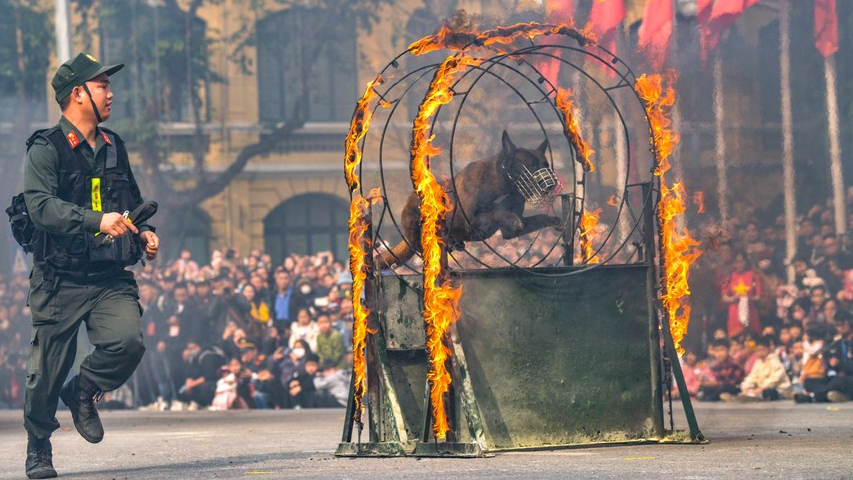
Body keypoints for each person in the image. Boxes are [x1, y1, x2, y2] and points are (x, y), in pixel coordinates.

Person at [21, 53, 160, 479]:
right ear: (77, 94)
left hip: (107, 277)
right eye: (102, 86)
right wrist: (94, 220)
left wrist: (144, 232)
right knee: (46, 373)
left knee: (128, 342)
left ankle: (82, 391)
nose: (111, 93)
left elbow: (130, 204)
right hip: (59, 278)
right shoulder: (46, 149)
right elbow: (41, 207)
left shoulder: (114, 144)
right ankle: (39, 448)